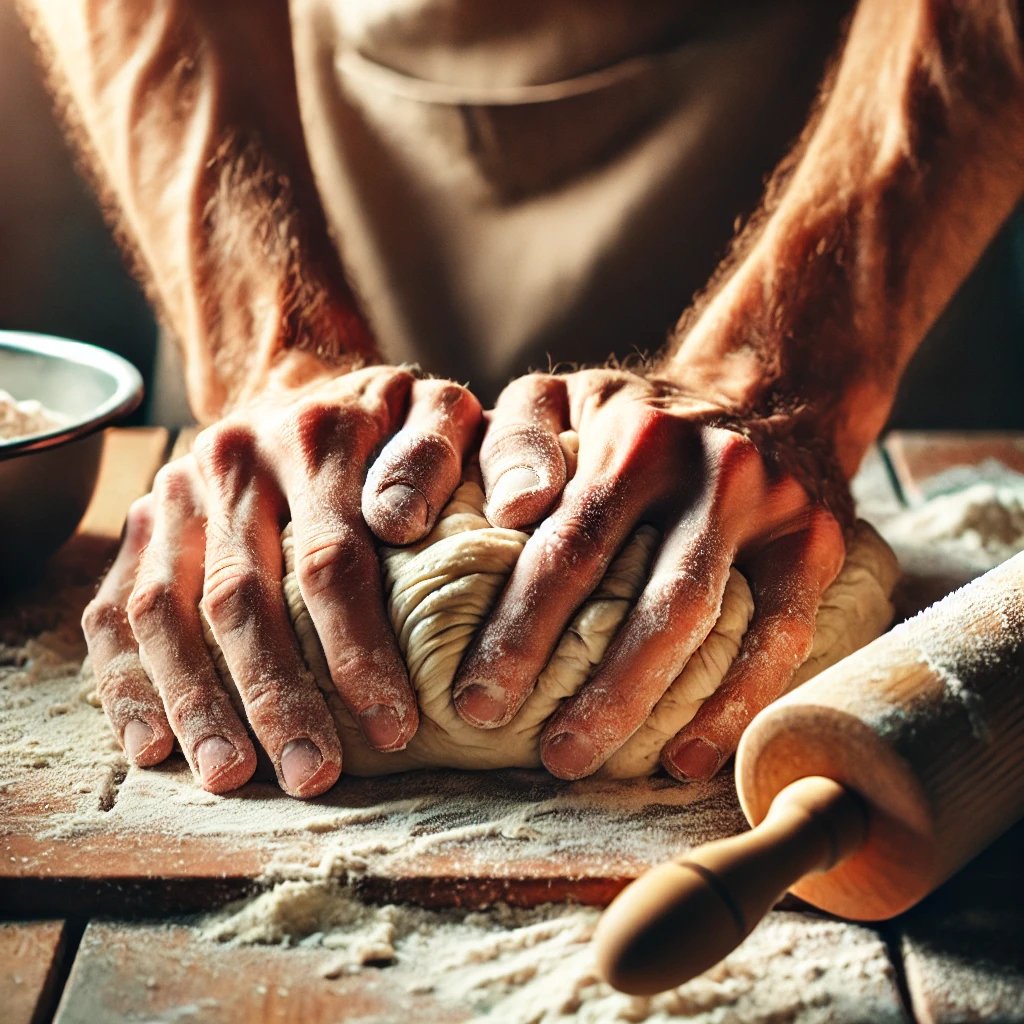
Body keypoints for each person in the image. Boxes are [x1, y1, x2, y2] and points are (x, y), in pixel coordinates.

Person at [19, 0, 1024, 798]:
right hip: (318, 124)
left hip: (877, 115)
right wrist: (271, 351)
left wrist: (797, 356)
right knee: (300, 550)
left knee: (761, 573)